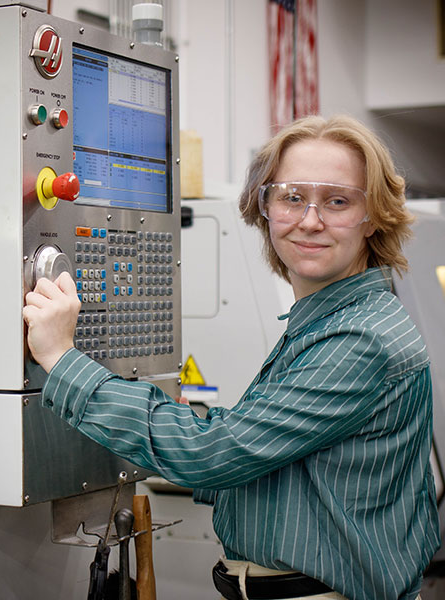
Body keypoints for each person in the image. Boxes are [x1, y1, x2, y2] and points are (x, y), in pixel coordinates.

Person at [22, 115, 440, 600]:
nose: (310, 220)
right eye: (291, 197)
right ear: (264, 207)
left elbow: (214, 454)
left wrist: (62, 358)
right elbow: (267, 459)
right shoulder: (328, 319)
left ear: (375, 217)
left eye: (338, 201)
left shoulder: (358, 338)